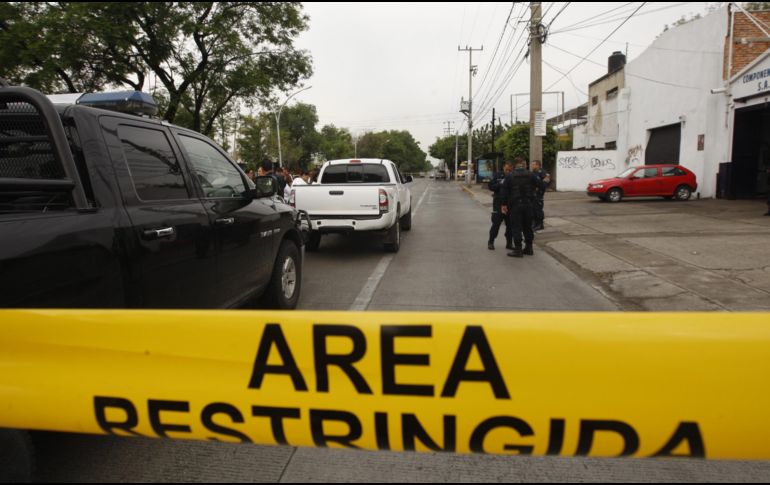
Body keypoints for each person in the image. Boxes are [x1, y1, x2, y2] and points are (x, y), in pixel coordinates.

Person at [501, 158, 545, 258]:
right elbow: (542, 185)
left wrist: (504, 205)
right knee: (527, 226)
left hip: (515, 205)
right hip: (529, 204)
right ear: (524, 164)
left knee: (516, 226)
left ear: (515, 165)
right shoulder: (531, 174)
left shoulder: (510, 175)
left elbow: (504, 192)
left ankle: (518, 249)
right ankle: (529, 248)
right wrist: (534, 191)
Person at [488, 162, 513, 251]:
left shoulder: (513, 176)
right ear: (503, 168)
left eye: (510, 170)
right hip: (498, 202)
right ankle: (491, 242)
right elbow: (491, 186)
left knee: (510, 224)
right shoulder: (497, 175)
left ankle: (509, 243)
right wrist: (500, 184)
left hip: (510, 203)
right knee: (496, 223)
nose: (508, 171)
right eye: (506, 169)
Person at [530, 160, 551, 231]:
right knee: (533, 209)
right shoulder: (533, 173)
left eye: (533, 164)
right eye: (532, 164)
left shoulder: (542, 172)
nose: (532, 166)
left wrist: (538, 187)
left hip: (539, 194)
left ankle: (540, 224)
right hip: (532, 194)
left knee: (538, 209)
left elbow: (546, 182)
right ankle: (534, 223)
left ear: (538, 165)